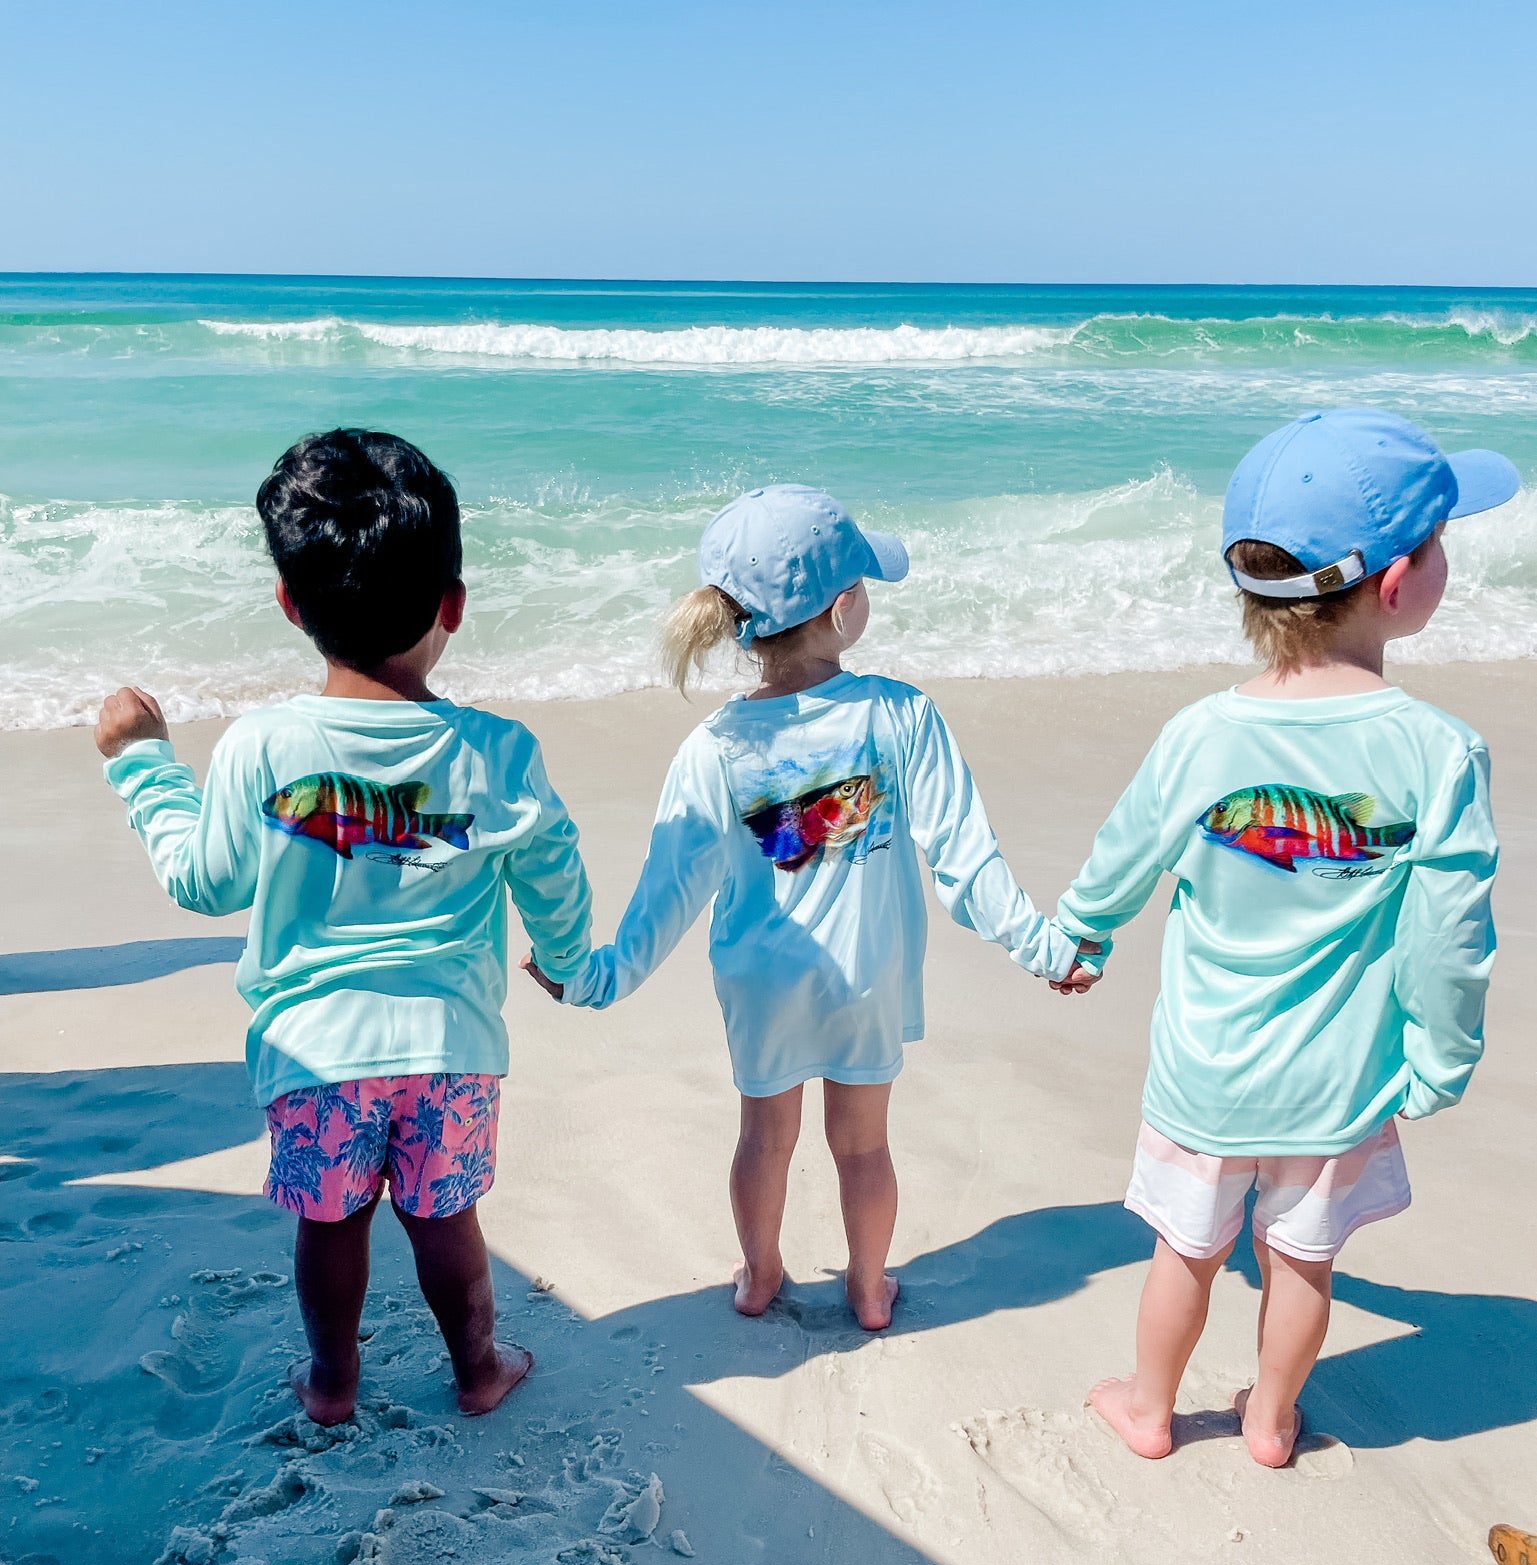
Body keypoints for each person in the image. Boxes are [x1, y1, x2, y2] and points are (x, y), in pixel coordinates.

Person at [94, 429, 592, 1424]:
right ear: (453, 605)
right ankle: (479, 1368)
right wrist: (567, 960)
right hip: (449, 1050)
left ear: (290, 604)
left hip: (315, 1055)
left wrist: (141, 763)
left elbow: (204, 881)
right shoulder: (495, 752)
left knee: (330, 1224)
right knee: (445, 1219)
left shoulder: (263, 746)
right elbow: (552, 868)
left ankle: (331, 1383)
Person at [1052, 409, 1514, 1466]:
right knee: (1303, 1260)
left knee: (1186, 1249)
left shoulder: (1201, 734)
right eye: (1440, 541)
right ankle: (1267, 1423)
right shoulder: (1439, 753)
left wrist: (1083, 932)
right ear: (1396, 586)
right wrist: (1440, 1058)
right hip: (1340, 1082)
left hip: (1206, 1072)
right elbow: (1451, 935)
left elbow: (1125, 853)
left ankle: (1150, 1408)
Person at [524, 484, 1095, 1329]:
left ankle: (759, 1276)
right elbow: (966, 863)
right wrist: (1049, 951)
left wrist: (594, 980)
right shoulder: (900, 714)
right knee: (862, 1145)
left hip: (761, 978)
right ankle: (867, 1290)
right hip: (865, 973)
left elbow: (667, 892)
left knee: (764, 1138)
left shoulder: (713, 744)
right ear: (841, 608)